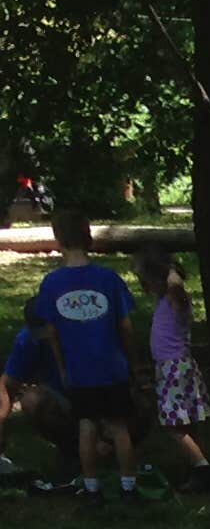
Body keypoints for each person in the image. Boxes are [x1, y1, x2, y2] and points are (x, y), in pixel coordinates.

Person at [32, 210, 142, 505]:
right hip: (113, 366)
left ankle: (91, 489)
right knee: (120, 427)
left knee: (87, 426)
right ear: (88, 237)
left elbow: (52, 333)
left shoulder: (52, 284)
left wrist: (63, 367)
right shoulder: (108, 279)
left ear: (58, 240)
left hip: (80, 369)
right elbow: (126, 327)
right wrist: (133, 363)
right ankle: (129, 487)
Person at [132, 245, 210, 491]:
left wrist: (170, 273)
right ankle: (197, 462)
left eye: (144, 280)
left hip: (174, 369)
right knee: (185, 422)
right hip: (173, 367)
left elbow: (176, 287)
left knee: (172, 426)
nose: (143, 286)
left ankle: (202, 468)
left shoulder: (174, 297)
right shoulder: (164, 300)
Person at [0, 299, 76, 474]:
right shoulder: (28, 341)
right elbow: (8, 385)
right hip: (61, 399)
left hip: (95, 395)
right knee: (32, 400)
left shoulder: (81, 335)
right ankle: (70, 449)